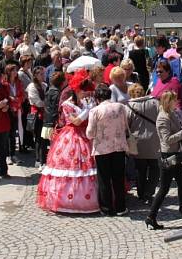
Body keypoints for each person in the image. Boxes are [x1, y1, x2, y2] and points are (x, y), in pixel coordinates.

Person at [37, 70, 98, 214]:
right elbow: (75, 122)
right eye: (84, 91)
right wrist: (88, 110)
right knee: (70, 167)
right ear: (76, 90)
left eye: (88, 91)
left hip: (88, 135)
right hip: (72, 137)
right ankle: (68, 199)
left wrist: (91, 108)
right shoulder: (66, 105)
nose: (86, 94)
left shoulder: (87, 101)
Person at [145, 91, 182, 230]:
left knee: (181, 182)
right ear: (168, 101)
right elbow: (167, 140)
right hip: (168, 156)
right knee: (164, 189)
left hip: (175, 153)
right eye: (174, 100)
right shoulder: (163, 118)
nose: (177, 102)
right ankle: (151, 216)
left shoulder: (171, 113)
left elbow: (175, 130)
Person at [86, 84, 129, 216]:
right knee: (118, 177)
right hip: (119, 146)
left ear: (97, 98)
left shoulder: (95, 111)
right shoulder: (121, 107)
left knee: (104, 179)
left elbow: (90, 133)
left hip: (102, 149)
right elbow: (126, 125)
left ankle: (107, 208)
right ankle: (121, 207)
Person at [126, 83, 160, 204]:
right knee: (155, 168)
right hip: (154, 140)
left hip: (137, 142)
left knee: (140, 169)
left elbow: (127, 126)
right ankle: (149, 192)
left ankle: (141, 194)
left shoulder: (129, 106)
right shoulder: (155, 103)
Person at [39, 71, 65, 173]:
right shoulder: (57, 92)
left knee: (46, 144)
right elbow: (56, 108)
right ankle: (51, 164)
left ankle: (44, 163)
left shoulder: (49, 90)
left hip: (47, 121)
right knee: (53, 145)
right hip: (53, 122)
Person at [4, 64, 25, 165]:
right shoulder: (4, 83)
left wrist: (17, 100)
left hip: (17, 110)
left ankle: (13, 154)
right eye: (13, 70)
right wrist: (10, 99)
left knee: (13, 134)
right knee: (7, 134)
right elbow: (3, 95)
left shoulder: (18, 82)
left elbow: (22, 95)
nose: (15, 72)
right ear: (8, 72)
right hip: (7, 111)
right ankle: (7, 155)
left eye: (16, 70)